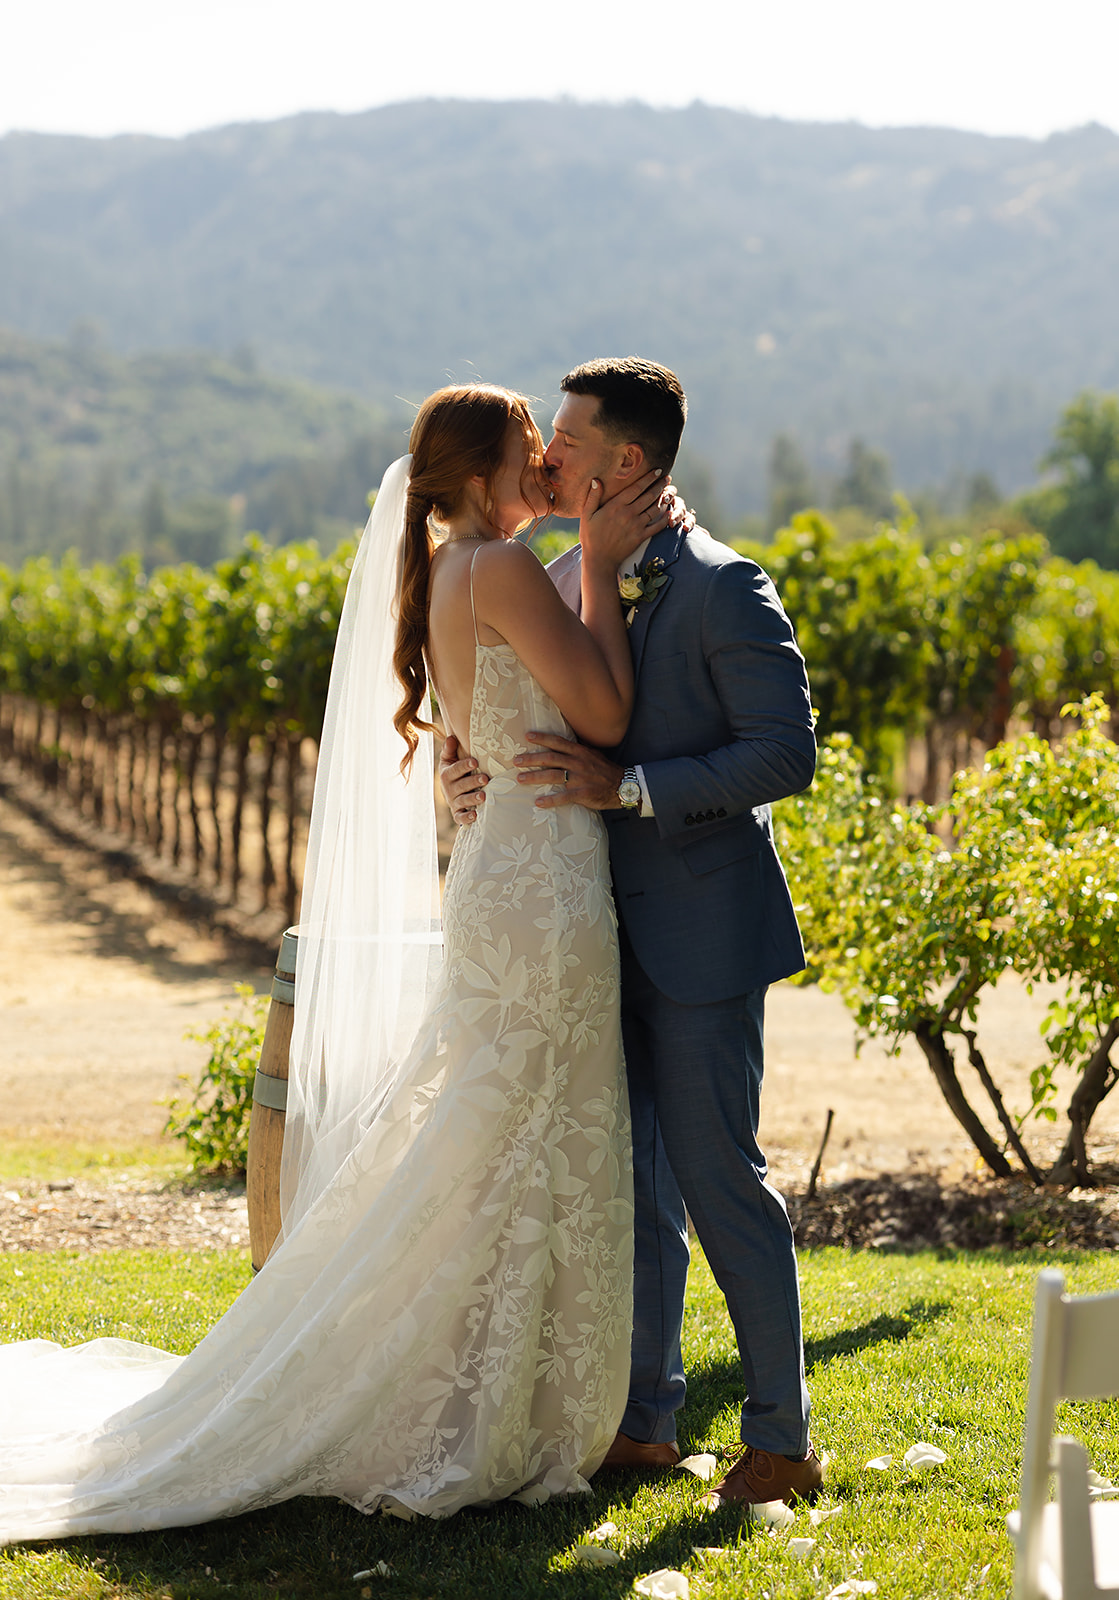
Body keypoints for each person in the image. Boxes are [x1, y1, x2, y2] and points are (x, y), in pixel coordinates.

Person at [0, 383, 669, 1544]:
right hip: (544, 884)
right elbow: (605, 716)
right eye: (529, 449)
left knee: (495, 1132)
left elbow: (480, 735)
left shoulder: (450, 572)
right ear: (480, 474)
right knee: (518, 1130)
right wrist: (604, 569)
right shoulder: (507, 570)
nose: (545, 468)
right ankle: (482, 1401)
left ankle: (484, 1389)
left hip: (504, 869)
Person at [441, 358, 822, 1507]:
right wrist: (466, 769)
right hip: (585, 928)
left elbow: (784, 751)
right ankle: (643, 1421)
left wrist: (634, 788)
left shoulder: (722, 585)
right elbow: (503, 702)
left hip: (702, 933)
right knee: (634, 1181)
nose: (547, 457)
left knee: (720, 1180)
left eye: (566, 442)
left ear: (629, 463)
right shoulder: (558, 574)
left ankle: (782, 1437)